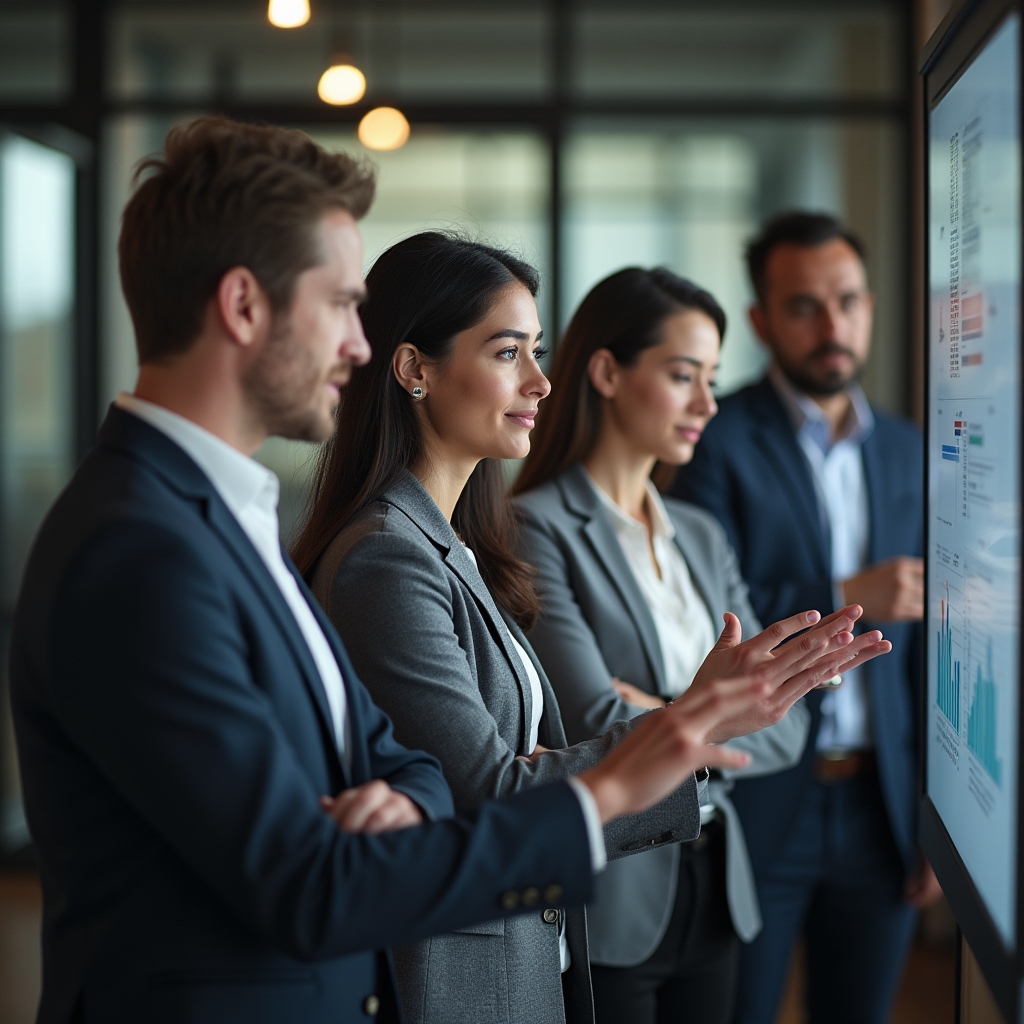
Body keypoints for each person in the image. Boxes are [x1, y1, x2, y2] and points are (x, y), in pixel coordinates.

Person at [9, 117, 793, 1024]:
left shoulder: (224, 514)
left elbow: (405, 768)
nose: (357, 345)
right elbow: (311, 875)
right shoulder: (141, 552)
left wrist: (408, 802)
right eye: (342, 305)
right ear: (242, 305)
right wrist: (629, 771)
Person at [293, 231, 892, 1024]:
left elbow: (522, 766)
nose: (541, 382)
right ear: (413, 369)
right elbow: (492, 796)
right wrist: (692, 720)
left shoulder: (460, 545)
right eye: (509, 353)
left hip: (538, 947)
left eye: (536, 352)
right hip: (468, 975)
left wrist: (658, 721)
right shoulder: (387, 560)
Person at [512, 267, 814, 1024]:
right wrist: (729, 708)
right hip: (613, 892)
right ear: (608, 371)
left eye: (712, 378)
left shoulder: (703, 537)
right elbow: (589, 717)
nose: (708, 404)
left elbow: (790, 725)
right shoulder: (534, 527)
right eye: (684, 376)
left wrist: (667, 712)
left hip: (715, 885)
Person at [670, 211, 939, 1024]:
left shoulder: (908, 448)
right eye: (804, 306)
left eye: (848, 300)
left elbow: (929, 645)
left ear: (870, 304)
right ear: (760, 320)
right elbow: (699, 607)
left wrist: (934, 809)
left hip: (880, 802)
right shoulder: (715, 439)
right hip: (759, 798)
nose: (833, 326)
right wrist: (848, 585)